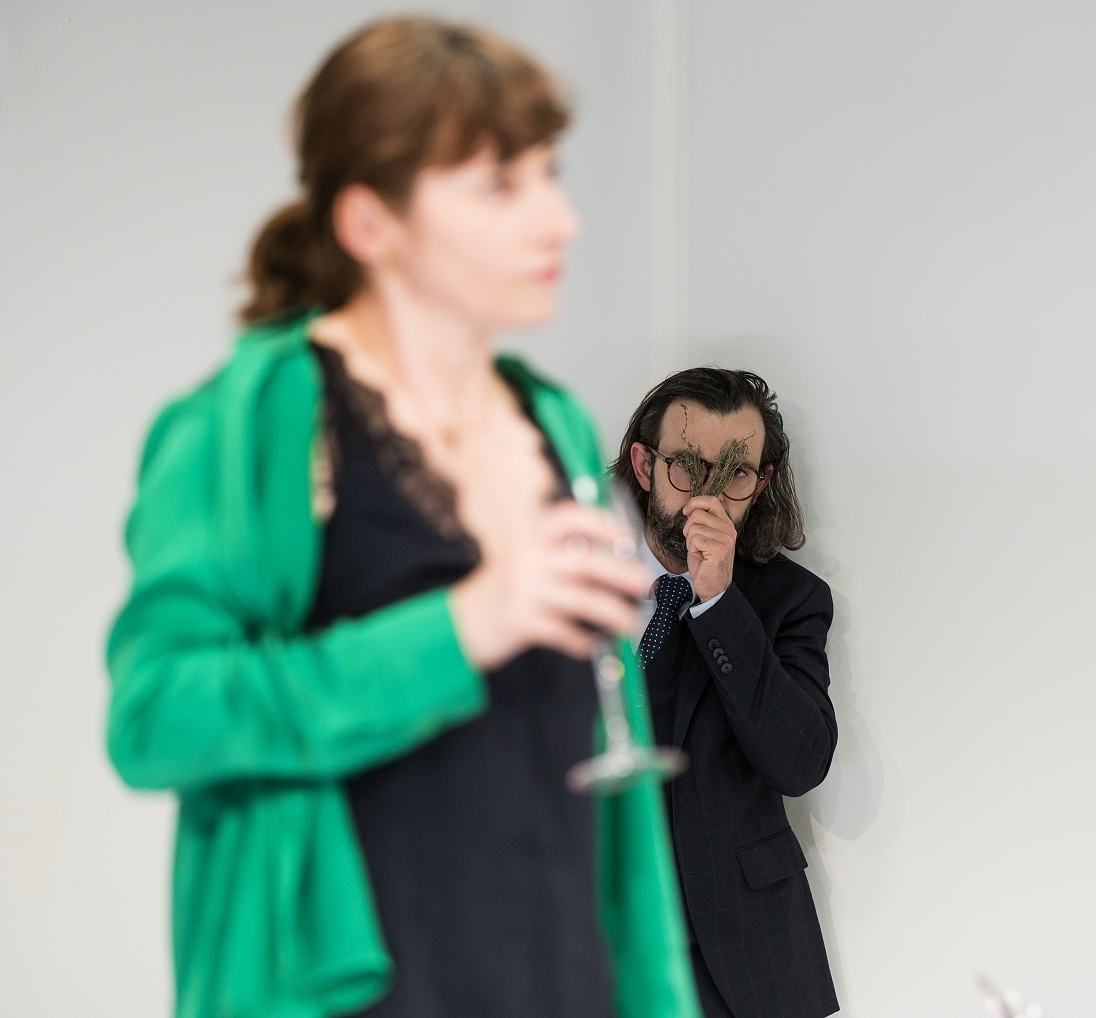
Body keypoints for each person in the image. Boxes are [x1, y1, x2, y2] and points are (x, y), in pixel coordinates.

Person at [104, 18, 698, 1018]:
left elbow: (616, 792)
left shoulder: (554, 423)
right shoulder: (246, 425)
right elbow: (156, 716)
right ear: (370, 224)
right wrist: (463, 626)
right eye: (500, 185)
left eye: (551, 175)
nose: (560, 221)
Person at [615, 369, 840, 1018]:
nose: (707, 496)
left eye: (735, 473)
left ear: (761, 484)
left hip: (739, 959)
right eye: (687, 466)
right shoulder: (571, 581)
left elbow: (801, 763)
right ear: (644, 465)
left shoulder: (790, 601)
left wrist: (718, 602)